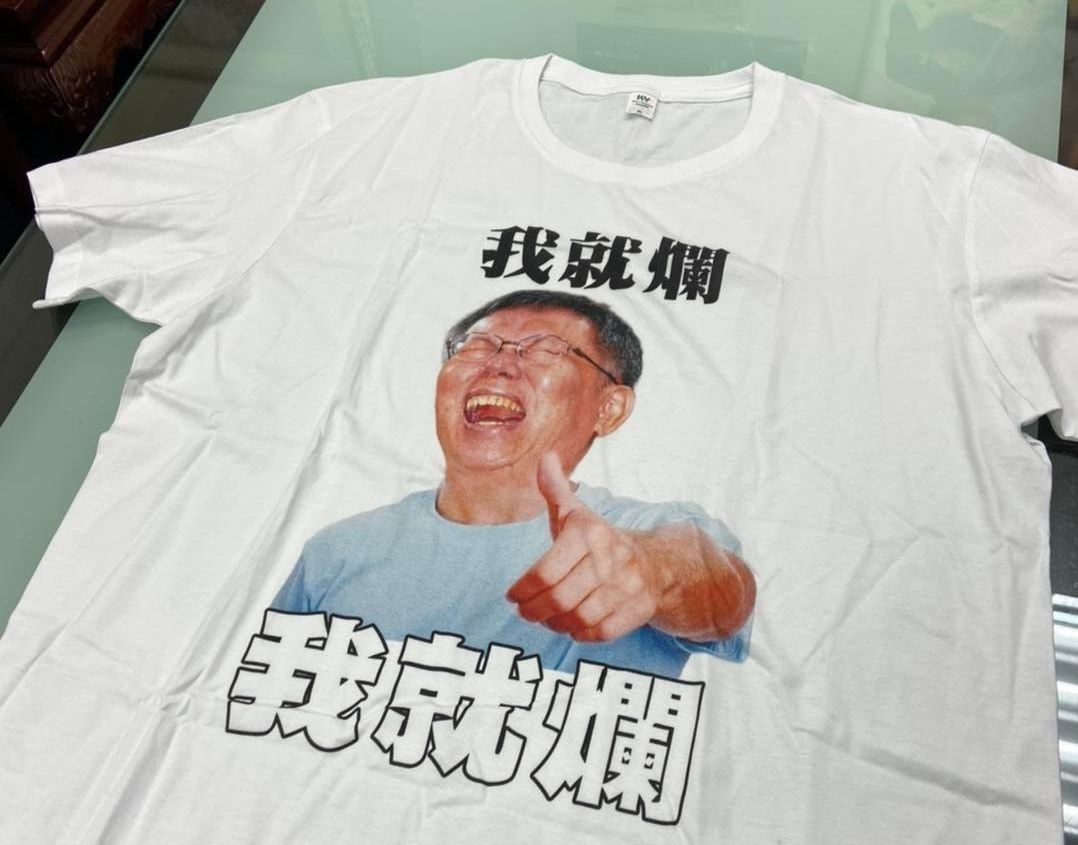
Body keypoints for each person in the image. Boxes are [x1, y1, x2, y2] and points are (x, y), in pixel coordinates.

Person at [271, 290, 756, 676]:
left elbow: (720, 592)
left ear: (609, 408)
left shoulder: (639, 530)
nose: (499, 364)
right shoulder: (336, 552)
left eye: (546, 350)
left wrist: (652, 569)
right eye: (476, 347)